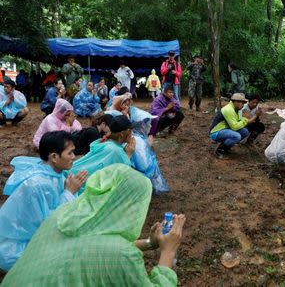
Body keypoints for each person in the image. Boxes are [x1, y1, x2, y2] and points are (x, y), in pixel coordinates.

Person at [2, 164, 185, 286]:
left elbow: (91, 247)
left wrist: (150, 243)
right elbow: (112, 252)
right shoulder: (120, 255)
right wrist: (168, 251)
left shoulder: (63, 215)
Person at [0, 131, 88, 271]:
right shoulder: (39, 185)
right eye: (70, 153)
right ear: (54, 157)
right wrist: (69, 192)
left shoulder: (53, 173)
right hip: (16, 249)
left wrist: (69, 192)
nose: (73, 157)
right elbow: (47, 225)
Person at [68, 115, 136, 194]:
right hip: (81, 182)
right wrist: (128, 155)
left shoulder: (106, 142)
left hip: (74, 172)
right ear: (121, 135)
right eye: (131, 132)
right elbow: (122, 172)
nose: (132, 135)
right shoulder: (116, 151)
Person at [130, 107, 170, 194]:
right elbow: (144, 166)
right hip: (141, 179)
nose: (151, 126)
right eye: (148, 123)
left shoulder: (137, 137)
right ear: (141, 125)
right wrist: (148, 146)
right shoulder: (138, 141)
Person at [209, 93, 258, 159]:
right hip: (216, 132)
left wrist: (244, 119)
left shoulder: (235, 109)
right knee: (236, 136)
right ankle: (219, 151)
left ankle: (226, 148)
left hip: (225, 129)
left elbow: (238, 123)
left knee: (244, 131)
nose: (243, 105)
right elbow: (235, 127)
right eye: (242, 103)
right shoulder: (229, 109)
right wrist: (245, 119)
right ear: (236, 102)